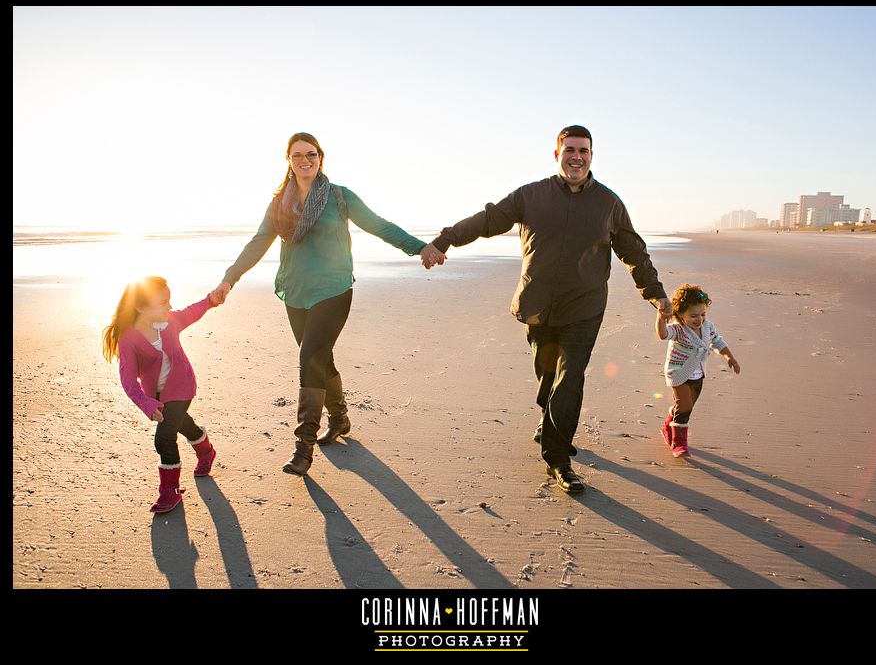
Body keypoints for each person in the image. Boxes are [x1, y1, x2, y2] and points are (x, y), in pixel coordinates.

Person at [419, 125, 672, 493]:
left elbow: (633, 252)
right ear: (557, 155)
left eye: (583, 151)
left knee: (569, 379)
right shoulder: (530, 196)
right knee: (547, 376)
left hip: (584, 308)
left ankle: (558, 460)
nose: (576, 157)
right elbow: (487, 220)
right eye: (570, 150)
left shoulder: (609, 204)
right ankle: (551, 420)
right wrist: (445, 240)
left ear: (591, 156)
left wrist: (657, 295)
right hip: (538, 305)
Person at [209, 132, 439, 477]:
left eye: (311, 154)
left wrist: (419, 247)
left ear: (321, 158)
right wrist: (230, 278)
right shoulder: (279, 205)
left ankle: (304, 447)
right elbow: (259, 243)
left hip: (333, 290)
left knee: (309, 358)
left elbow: (378, 225)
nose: (305, 160)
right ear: (288, 160)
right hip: (296, 291)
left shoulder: (339, 198)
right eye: (298, 155)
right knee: (319, 358)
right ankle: (340, 417)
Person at [102, 276, 222, 513]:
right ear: (140, 307)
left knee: (164, 438)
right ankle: (206, 451)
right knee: (181, 423)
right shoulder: (129, 338)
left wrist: (210, 300)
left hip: (182, 387)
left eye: (169, 300)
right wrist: (146, 404)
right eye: (163, 302)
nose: (169, 306)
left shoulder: (171, 321)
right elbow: (128, 381)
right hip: (156, 396)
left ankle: (170, 491)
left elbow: (191, 311)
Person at [655, 283, 740, 457]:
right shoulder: (678, 329)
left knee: (687, 406)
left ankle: (667, 426)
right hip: (678, 372)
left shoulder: (707, 327)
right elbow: (663, 334)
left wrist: (729, 357)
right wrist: (661, 318)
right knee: (684, 406)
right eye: (693, 316)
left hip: (698, 373)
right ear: (679, 314)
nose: (699, 319)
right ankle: (679, 444)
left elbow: (717, 341)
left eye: (702, 314)